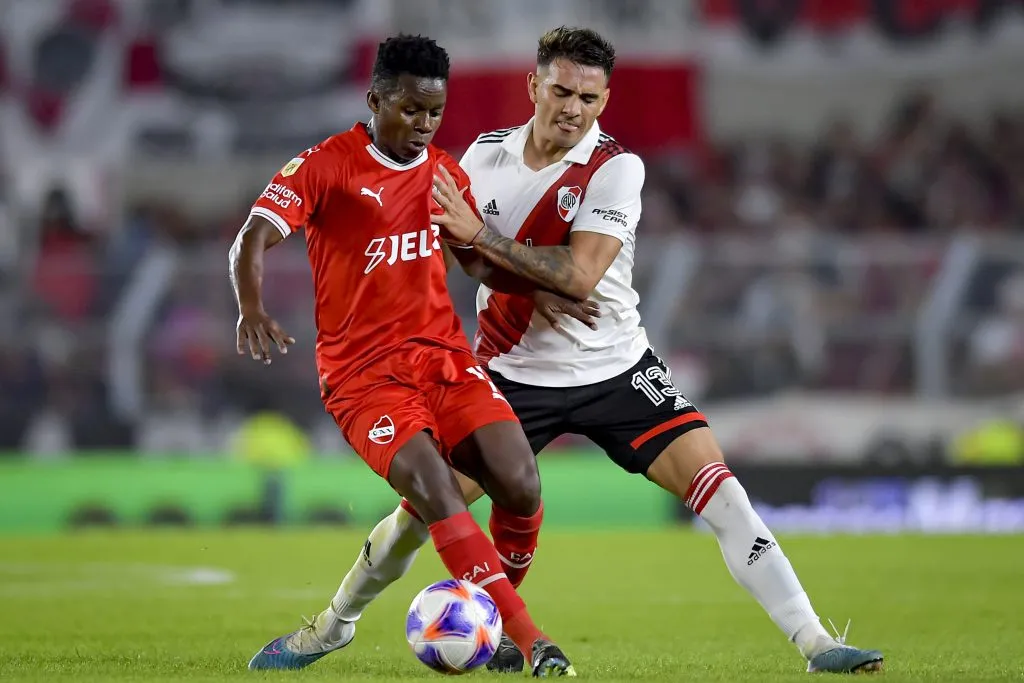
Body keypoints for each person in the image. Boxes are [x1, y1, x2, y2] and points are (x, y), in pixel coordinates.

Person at [258, 26, 884, 675]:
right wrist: (483, 260)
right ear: (534, 86)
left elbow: (579, 275)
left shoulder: (615, 168)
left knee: (722, 492)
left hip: (616, 367)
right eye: (561, 91)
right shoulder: (480, 157)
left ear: (604, 100)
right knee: (422, 511)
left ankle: (817, 641)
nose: (573, 109)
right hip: (510, 373)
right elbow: (454, 248)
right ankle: (334, 624)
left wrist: (491, 241)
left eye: (589, 98)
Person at [231, 33, 576, 677]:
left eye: (435, 113)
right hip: (365, 379)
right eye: (410, 110)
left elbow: (477, 261)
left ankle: (366, 624)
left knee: (521, 484)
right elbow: (252, 237)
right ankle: (531, 642)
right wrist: (250, 306)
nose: (423, 125)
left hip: (445, 360)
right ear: (375, 99)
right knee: (437, 491)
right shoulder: (325, 166)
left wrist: (539, 285)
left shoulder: (443, 172)